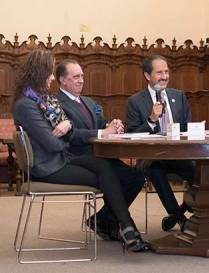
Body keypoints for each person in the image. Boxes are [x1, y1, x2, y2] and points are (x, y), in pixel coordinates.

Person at [12, 50, 148, 252]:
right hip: (47, 167)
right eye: (50, 72)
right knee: (107, 175)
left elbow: (59, 136)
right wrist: (65, 129)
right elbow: (53, 144)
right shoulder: (26, 105)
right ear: (39, 72)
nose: (51, 77)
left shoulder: (40, 99)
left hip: (60, 158)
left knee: (103, 166)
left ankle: (125, 227)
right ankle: (127, 228)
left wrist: (65, 129)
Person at [55, 59, 145, 241]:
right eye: (75, 77)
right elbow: (69, 135)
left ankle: (103, 218)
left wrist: (113, 125)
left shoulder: (88, 101)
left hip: (99, 155)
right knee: (117, 178)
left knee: (136, 177)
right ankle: (116, 222)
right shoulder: (57, 104)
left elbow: (100, 123)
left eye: (82, 76)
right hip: (75, 158)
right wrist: (103, 131)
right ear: (62, 80)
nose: (81, 80)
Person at [126, 55, 194, 231]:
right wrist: (151, 120)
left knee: (203, 170)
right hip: (153, 157)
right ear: (147, 76)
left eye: (166, 72)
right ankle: (180, 219)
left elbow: (187, 126)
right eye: (159, 73)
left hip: (179, 154)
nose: (164, 76)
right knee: (155, 170)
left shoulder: (178, 96)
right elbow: (132, 134)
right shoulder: (135, 101)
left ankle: (179, 212)